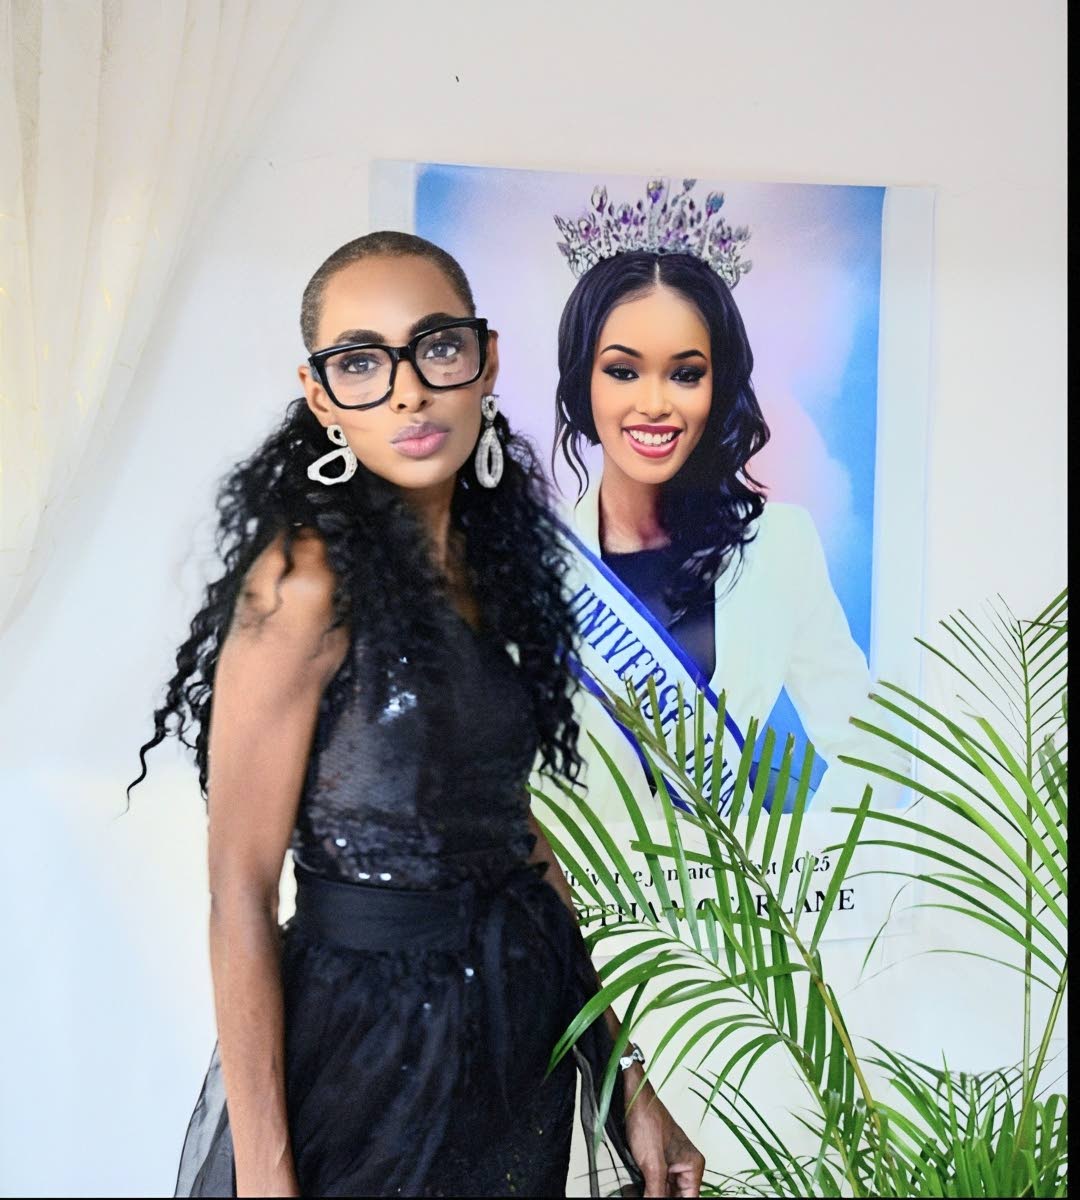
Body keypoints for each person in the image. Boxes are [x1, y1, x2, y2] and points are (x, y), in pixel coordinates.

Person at [131, 231, 705, 1197]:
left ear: (485, 362)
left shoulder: (496, 569)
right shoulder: (302, 584)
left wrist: (628, 1084)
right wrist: (266, 1177)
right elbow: (239, 891)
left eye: (436, 347)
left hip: (514, 1047)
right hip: (369, 1056)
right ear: (321, 396)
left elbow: (518, 847)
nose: (407, 392)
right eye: (361, 363)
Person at [553, 184, 901, 811]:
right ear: (583, 381)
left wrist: (809, 857)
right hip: (576, 879)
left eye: (686, 374)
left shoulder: (781, 545)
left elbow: (872, 753)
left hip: (730, 876)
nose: (654, 403)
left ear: (719, 387)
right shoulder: (531, 557)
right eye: (623, 371)